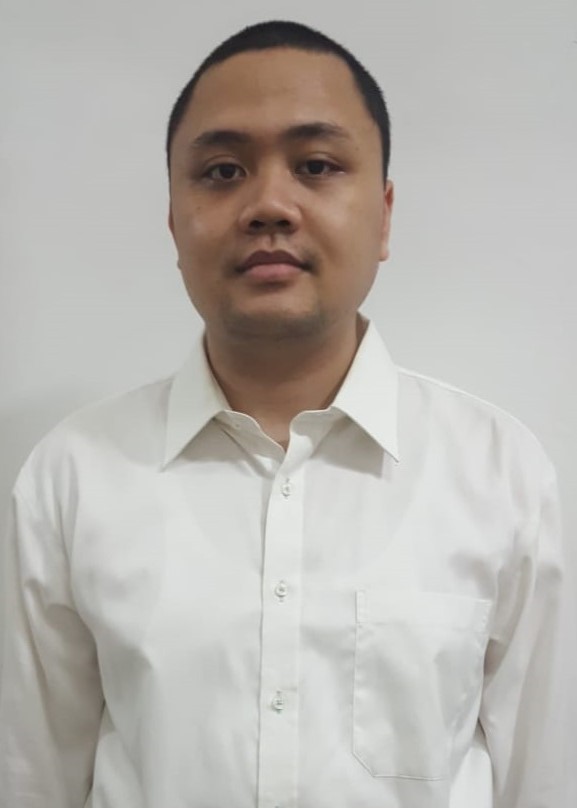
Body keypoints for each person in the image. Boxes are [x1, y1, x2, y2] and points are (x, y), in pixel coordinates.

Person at [0, 19, 572, 808]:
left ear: (383, 214)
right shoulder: (73, 476)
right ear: (173, 222)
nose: (269, 204)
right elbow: (32, 778)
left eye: (316, 166)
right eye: (222, 171)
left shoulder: (498, 473)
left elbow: (545, 779)